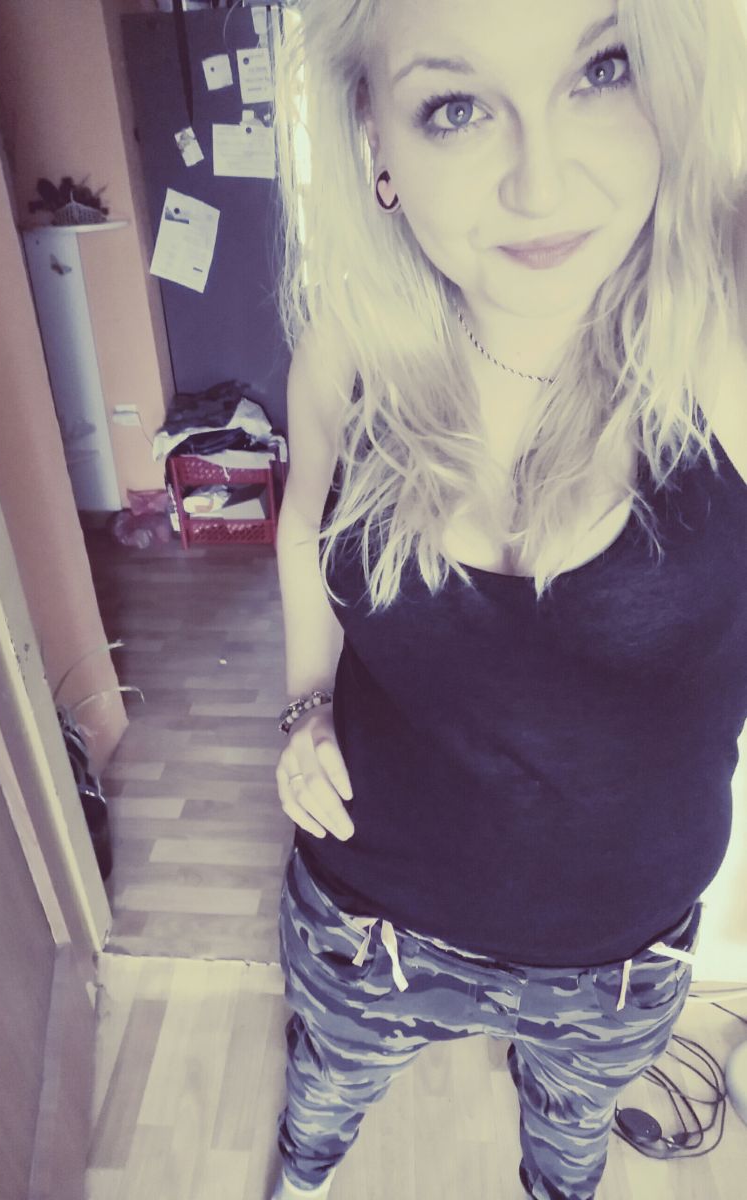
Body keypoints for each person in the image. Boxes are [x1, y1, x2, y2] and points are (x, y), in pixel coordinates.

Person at [270, 1, 747, 1197]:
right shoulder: (348, 346)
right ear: (375, 141)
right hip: (365, 916)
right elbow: (302, 528)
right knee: (325, 1089)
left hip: (616, 957)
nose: (544, 182)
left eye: (602, 68)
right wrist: (304, 703)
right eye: (456, 106)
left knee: (570, 1148)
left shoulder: (724, 342)